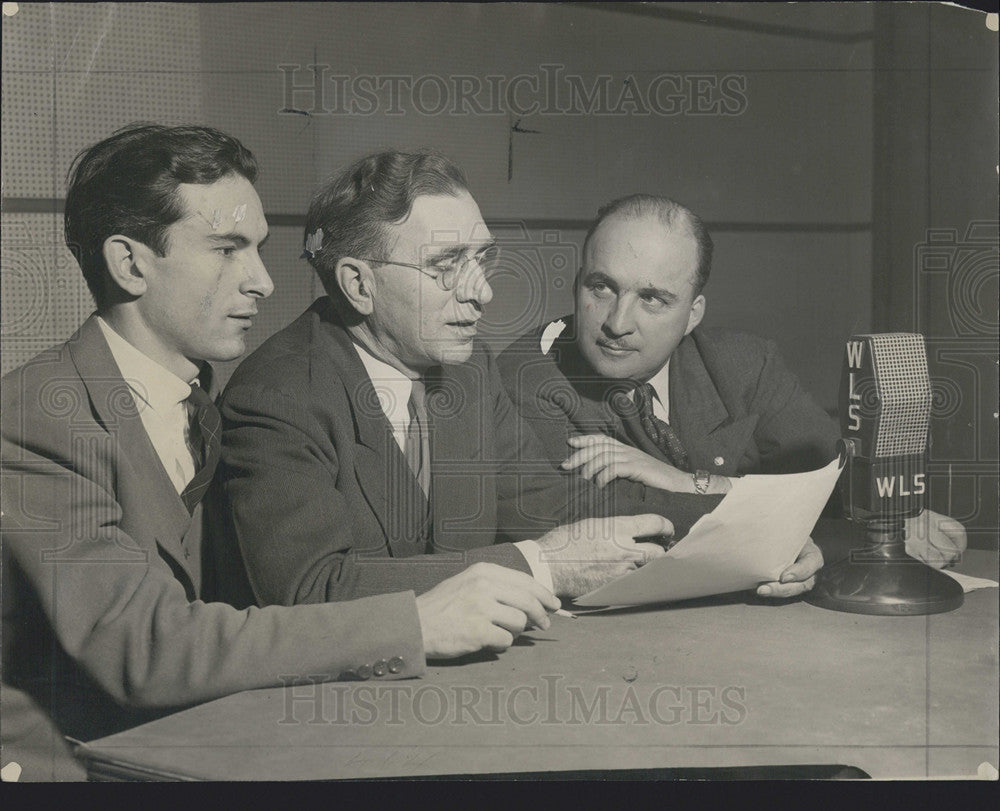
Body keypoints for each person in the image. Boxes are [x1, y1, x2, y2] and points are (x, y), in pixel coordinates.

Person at [0, 125, 576, 781]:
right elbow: (145, 645)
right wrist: (414, 621)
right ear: (131, 263)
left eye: (259, 250)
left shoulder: (196, 398)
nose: (265, 282)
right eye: (227, 250)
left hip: (199, 743)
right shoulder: (34, 417)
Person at [213, 151, 678, 611]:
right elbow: (313, 590)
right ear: (358, 285)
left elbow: (550, 507)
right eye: (446, 266)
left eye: (480, 260)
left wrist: (733, 506)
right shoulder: (277, 396)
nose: (483, 292)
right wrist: (542, 566)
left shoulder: (469, 369)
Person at [495, 193, 967, 577]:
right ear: (577, 283)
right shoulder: (529, 372)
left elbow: (836, 477)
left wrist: (686, 482)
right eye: (601, 287)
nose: (618, 322)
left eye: (653, 299)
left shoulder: (744, 363)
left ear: (692, 314)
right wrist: (833, 532)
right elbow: (608, 520)